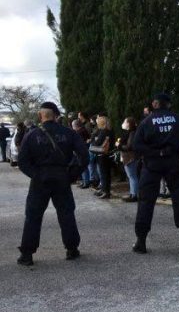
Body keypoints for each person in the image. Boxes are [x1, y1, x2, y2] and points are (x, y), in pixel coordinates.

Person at [16, 102, 88, 266]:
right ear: (56, 116)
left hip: (40, 179)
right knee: (66, 213)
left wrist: (35, 175)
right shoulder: (69, 133)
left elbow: (22, 161)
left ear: (41, 116)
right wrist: (72, 175)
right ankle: (72, 249)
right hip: (62, 177)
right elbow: (84, 156)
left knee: (33, 216)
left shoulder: (31, 135)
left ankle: (27, 254)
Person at [132, 93, 179, 253]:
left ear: (154, 104)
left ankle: (141, 241)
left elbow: (137, 145)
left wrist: (154, 153)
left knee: (146, 202)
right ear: (168, 104)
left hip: (152, 164)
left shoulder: (146, 122)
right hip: (173, 163)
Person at [90, 116, 114, 199]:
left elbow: (97, 142)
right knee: (107, 174)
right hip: (108, 154)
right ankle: (105, 190)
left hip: (102, 155)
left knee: (104, 174)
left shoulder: (103, 132)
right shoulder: (110, 131)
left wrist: (93, 140)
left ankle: (105, 191)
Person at [118, 117, 139, 202]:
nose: (123, 123)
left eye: (125, 122)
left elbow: (129, 146)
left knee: (132, 176)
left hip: (130, 157)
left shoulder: (132, 133)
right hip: (128, 157)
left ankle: (134, 194)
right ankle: (132, 193)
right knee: (131, 176)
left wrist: (119, 146)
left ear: (129, 124)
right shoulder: (129, 133)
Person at [71, 119, 90, 186]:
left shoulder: (79, 132)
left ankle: (86, 182)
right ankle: (85, 181)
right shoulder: (84, 130)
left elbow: (79, 143)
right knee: (85, 167)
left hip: (82, 152)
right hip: (85, 150)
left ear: (75, 126)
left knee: (83, 167)